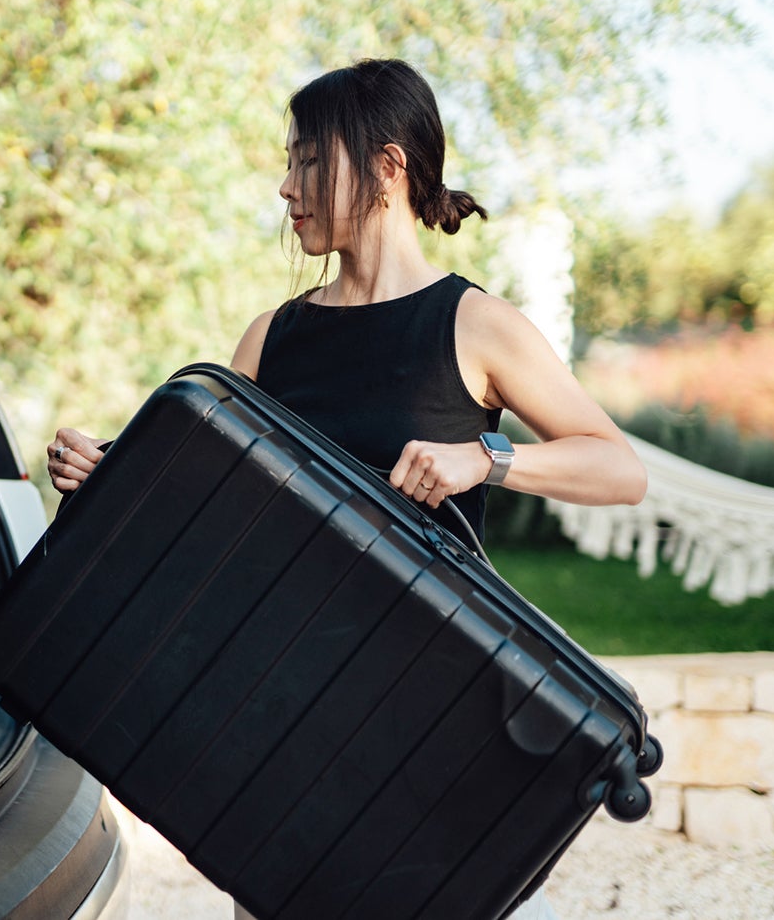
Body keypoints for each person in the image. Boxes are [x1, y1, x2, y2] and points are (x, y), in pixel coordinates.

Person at [44, 58, 646, 920]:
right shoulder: (273, 337)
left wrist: (489, 458)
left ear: (389, 167)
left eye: (310, 162)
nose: (287, 188)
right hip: (293, 713)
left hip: (437, 708)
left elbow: (618, 467)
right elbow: (201, 499)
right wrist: (105, 476)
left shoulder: (474, 324)